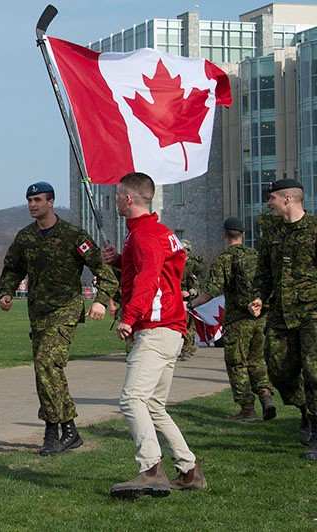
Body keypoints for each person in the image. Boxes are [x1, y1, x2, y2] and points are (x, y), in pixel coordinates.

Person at [103, 173, 206, 499]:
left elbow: (149, 279)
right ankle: (189, 472)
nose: (116, 200)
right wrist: (119, 261)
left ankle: (151, 470)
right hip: (171, 329)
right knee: (155, 406)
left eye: (118, 195)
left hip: (157, 330)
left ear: (130, 199)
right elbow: (156, 270)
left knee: (132, 399)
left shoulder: (145, 235)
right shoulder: (154, 233)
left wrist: (128, 319)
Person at [0, 181, 118, 456]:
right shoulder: (25, 237)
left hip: (65, 310)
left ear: (51, 202)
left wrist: (100, 301)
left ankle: (53, 430)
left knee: (46, 363)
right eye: (29, 200)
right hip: (37, 313)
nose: (32, 205)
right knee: (47, 371)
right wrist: (6, 292)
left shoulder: (74, 235)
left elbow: (104, 271)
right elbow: (13, 268)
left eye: (38, 200)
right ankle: (68, 430)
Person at [249, 179, 317, 460]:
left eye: (272, 198)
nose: (269, 203)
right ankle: (304, 409)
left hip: (313, 312)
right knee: (278, 371)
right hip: (281, 315)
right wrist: (259, 296)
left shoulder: (314, 229)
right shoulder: (272, 233)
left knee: (314, 373)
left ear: (288, 199)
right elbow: (263, 272)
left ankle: (316, 436)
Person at [189, 217, 275, 422]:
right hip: (260, 318)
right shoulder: (256, 256)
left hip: (238, 321)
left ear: (225, 235)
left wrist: (191, 304)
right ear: (243, 235)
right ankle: (265, 396)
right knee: (257, 359)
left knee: (236, 363)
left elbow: (211, 291)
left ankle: (247, 408)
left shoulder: (224, 259)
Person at [178, 240, 205, 360]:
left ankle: (186, 350)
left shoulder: (193, 266)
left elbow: (197, 284)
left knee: (189, 325)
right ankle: (187, 347)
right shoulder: (175, 263)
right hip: (176, 297)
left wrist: (189, 292)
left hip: (190, 299)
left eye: (183, 250)